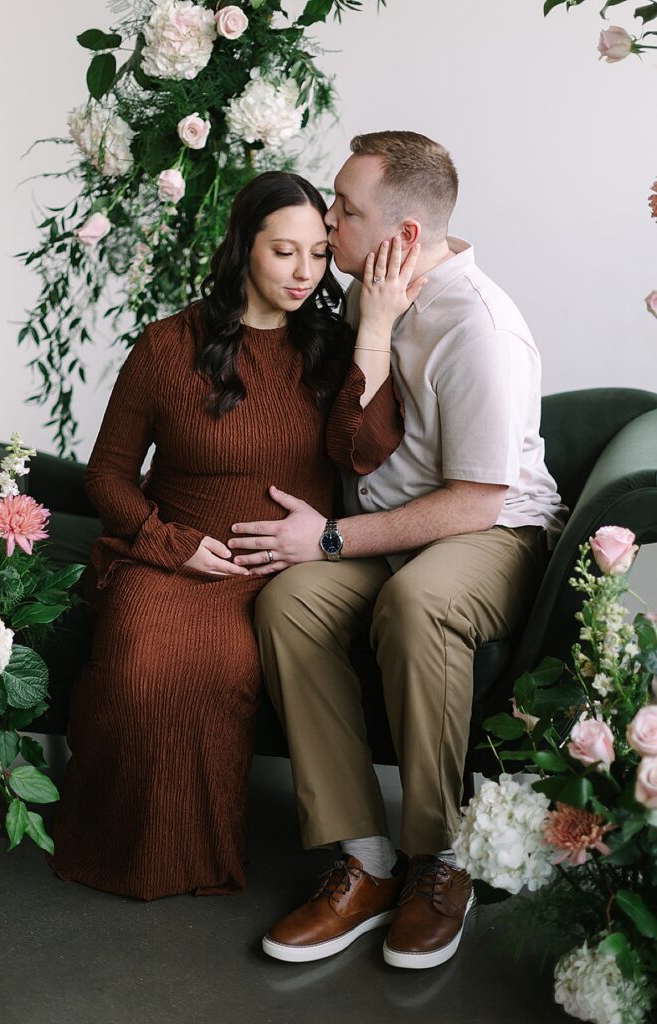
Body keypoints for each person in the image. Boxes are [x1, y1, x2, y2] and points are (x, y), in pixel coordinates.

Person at [230, 132, 568, 966]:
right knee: (288, 600)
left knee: (416, 603)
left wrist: (332, 535)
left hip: (491, 530)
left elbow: (476, 499)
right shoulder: (367, 294)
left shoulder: (477, 325)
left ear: (403, 235)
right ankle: (364, 859)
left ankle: (437, 859)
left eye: (344, 210)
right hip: (397, 528)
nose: (326, 219)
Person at [47, 170, 419, 900]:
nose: (304, 273)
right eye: (285, 252)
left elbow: (366, 447)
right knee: (139, 665)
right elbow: (108, 476)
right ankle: (118, 849)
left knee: (219, 670)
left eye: (317, 253)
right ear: (243, 245)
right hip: (170, 556)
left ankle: (200, 853)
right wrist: (168, 543)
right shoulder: (166, 346)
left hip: (286, 570)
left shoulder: (332, 346)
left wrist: (372, 329)